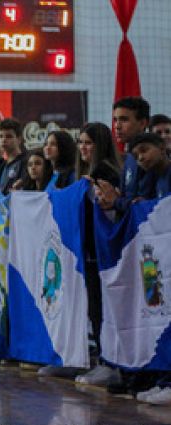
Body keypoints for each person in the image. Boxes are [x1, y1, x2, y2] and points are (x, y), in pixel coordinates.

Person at [73, 122, 122, 386]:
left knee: (103, 308)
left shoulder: (105, 172)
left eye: (88, 142)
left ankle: (109, 362)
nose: (83, 147)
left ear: (100, 144)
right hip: (91, 252)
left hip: (102, 252)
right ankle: (103, 359)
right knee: (94, 308)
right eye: (80, 142)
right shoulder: (85, 174)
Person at [96, 96, 153, 214]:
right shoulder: (130, 157)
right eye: (115, 120)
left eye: (124, 119)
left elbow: (146, 206)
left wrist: (116, 201)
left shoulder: (150, 158)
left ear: (143, 123)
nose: (117, 126)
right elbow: (125, 199)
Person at [0, 118, 27, 194]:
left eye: (9, 136)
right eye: (0, 136)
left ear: (19, 139)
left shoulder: (26, 162)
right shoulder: (1, 166)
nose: (3, 140)